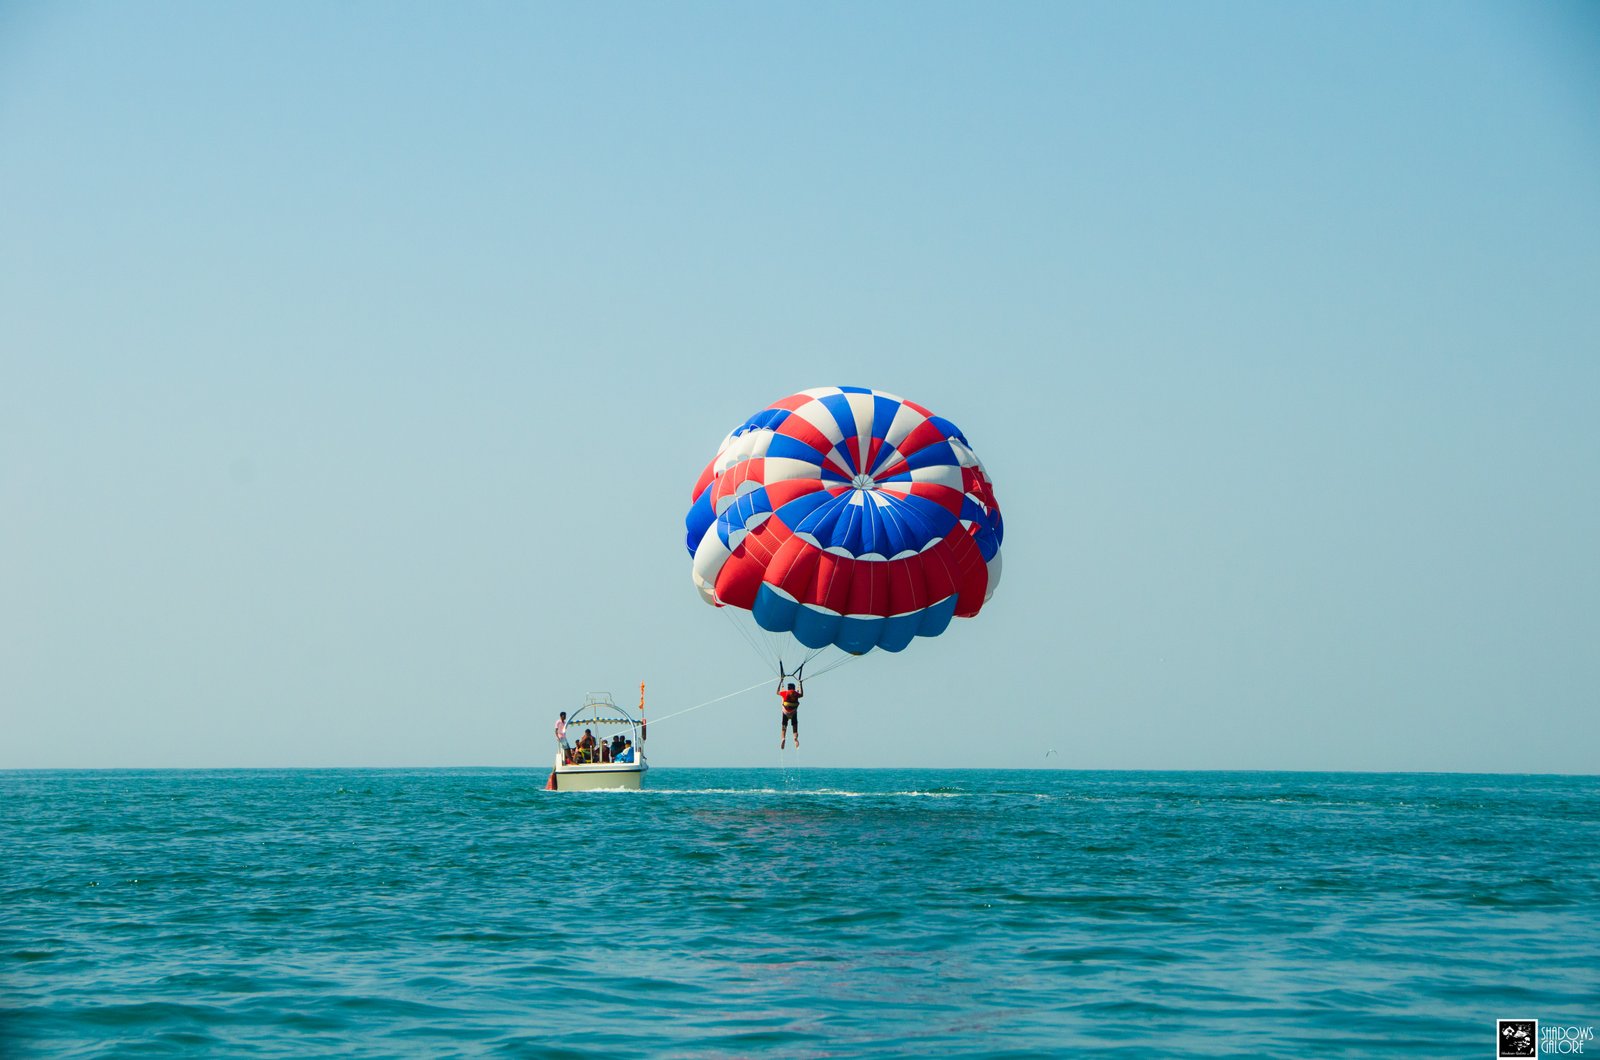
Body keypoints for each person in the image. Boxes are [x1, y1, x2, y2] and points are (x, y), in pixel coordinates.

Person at [776, 676, 802, 748]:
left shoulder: (785, 693)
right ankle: (795, 738)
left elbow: (777, 692)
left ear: (788, 688)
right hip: (793, 713)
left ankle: (783, 738)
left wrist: (780, 681)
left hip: (785, 712)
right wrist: (800, 684)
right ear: (794, 688)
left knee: (784, 727)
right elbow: (802, 694)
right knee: (795, 726)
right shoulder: (796, 694)